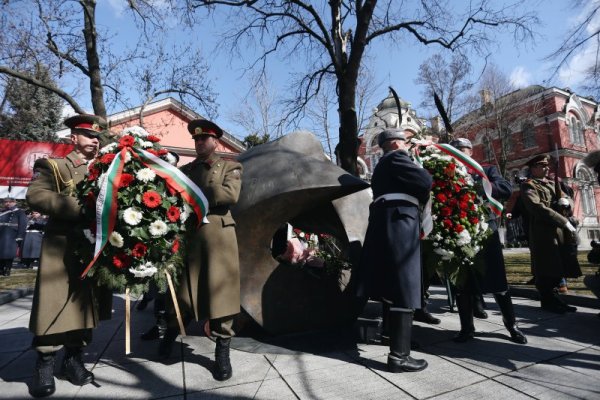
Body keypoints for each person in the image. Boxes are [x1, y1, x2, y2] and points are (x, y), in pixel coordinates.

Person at [26, 114, 113, 398]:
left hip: (91, 249)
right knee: (53, 304)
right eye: (88, 135)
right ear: (73, 137)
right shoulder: (54, 166)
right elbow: (37, 196)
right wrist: (80, 207)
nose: (94, 141)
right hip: (60, 247)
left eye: (97, 137)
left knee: (84, 306)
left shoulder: (105, 171)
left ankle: (73, 359)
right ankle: (45, 363)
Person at [159, 119, 243, 382]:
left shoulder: (230, 166)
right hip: (189, 237)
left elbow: (230, 195)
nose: (199, 143)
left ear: (215, 141)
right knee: (182, 291)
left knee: (221, 294)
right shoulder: (185, 170)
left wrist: (195, 193)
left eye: (204, 139)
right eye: (195, 140)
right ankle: (171, 333)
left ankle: (222, 350)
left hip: (218, 238)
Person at [355, 128, 432, 373]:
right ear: (397, 143)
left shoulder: (384, 163)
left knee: (392, 285)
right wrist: (419, 162)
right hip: (400, 223)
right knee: (403, 286)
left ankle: (393, 337)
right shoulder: (398, 158)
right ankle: (399, 356)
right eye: (406, 142)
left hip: (388, 222)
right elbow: (425, 182)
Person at [449, 138, 527, 344]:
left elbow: (505, 188)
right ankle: (467, 328)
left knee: (497, 280)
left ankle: (512, 326)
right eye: (455, 151)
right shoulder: (446, 172)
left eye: (463, 150)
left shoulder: (487, 170)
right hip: (459, 230)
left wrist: (476, 184)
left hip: (486, 231)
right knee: (462, 282)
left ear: (471, 152)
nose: (459, 154)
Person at [520, 154, 578, 314]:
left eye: (547, 165)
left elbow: (568, 196)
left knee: (558, 267)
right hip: (542, 233)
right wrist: (563, 221)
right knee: (546, 268)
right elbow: (537, 208)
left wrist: (567, 203)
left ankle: (555, 299)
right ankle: (548, 301)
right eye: (542, 166)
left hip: (560, 232)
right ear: (533, 169)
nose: (546, 168)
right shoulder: (529, 186)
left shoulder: (553, 183)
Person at [0, 197, 27, 276]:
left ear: (14, 202)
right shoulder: (2, 211)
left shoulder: (20, 212)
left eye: (9, 202)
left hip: (12, 235)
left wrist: (20, 236)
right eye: (5, 202)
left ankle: (7, 269)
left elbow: (23, 225)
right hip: (1, 234)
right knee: (0, 253)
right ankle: (1, 268)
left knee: (9, 253)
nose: (7, 203)